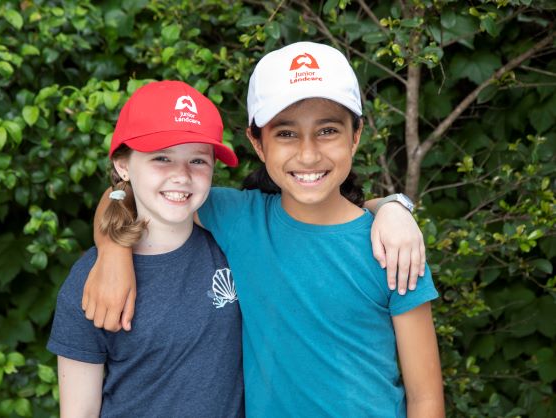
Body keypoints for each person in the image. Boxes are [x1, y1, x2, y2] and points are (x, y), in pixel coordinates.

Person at [84, 42, 444, 417]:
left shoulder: (394, 250)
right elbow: (127, 192)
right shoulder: (240, 218)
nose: (308, 155)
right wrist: (113, 254)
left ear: (356, 136)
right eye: (286, 133)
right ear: (257, 142)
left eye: (327, 131)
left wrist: (393, 208)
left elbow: (426, 399)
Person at [47, 81, 244, 417]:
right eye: (162, 158)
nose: (182, 175)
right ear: (123, 165)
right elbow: (79, 412)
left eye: (198, 160)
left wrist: (370, 214)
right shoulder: (90, 282)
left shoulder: (235, 239)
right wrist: (112, 252)